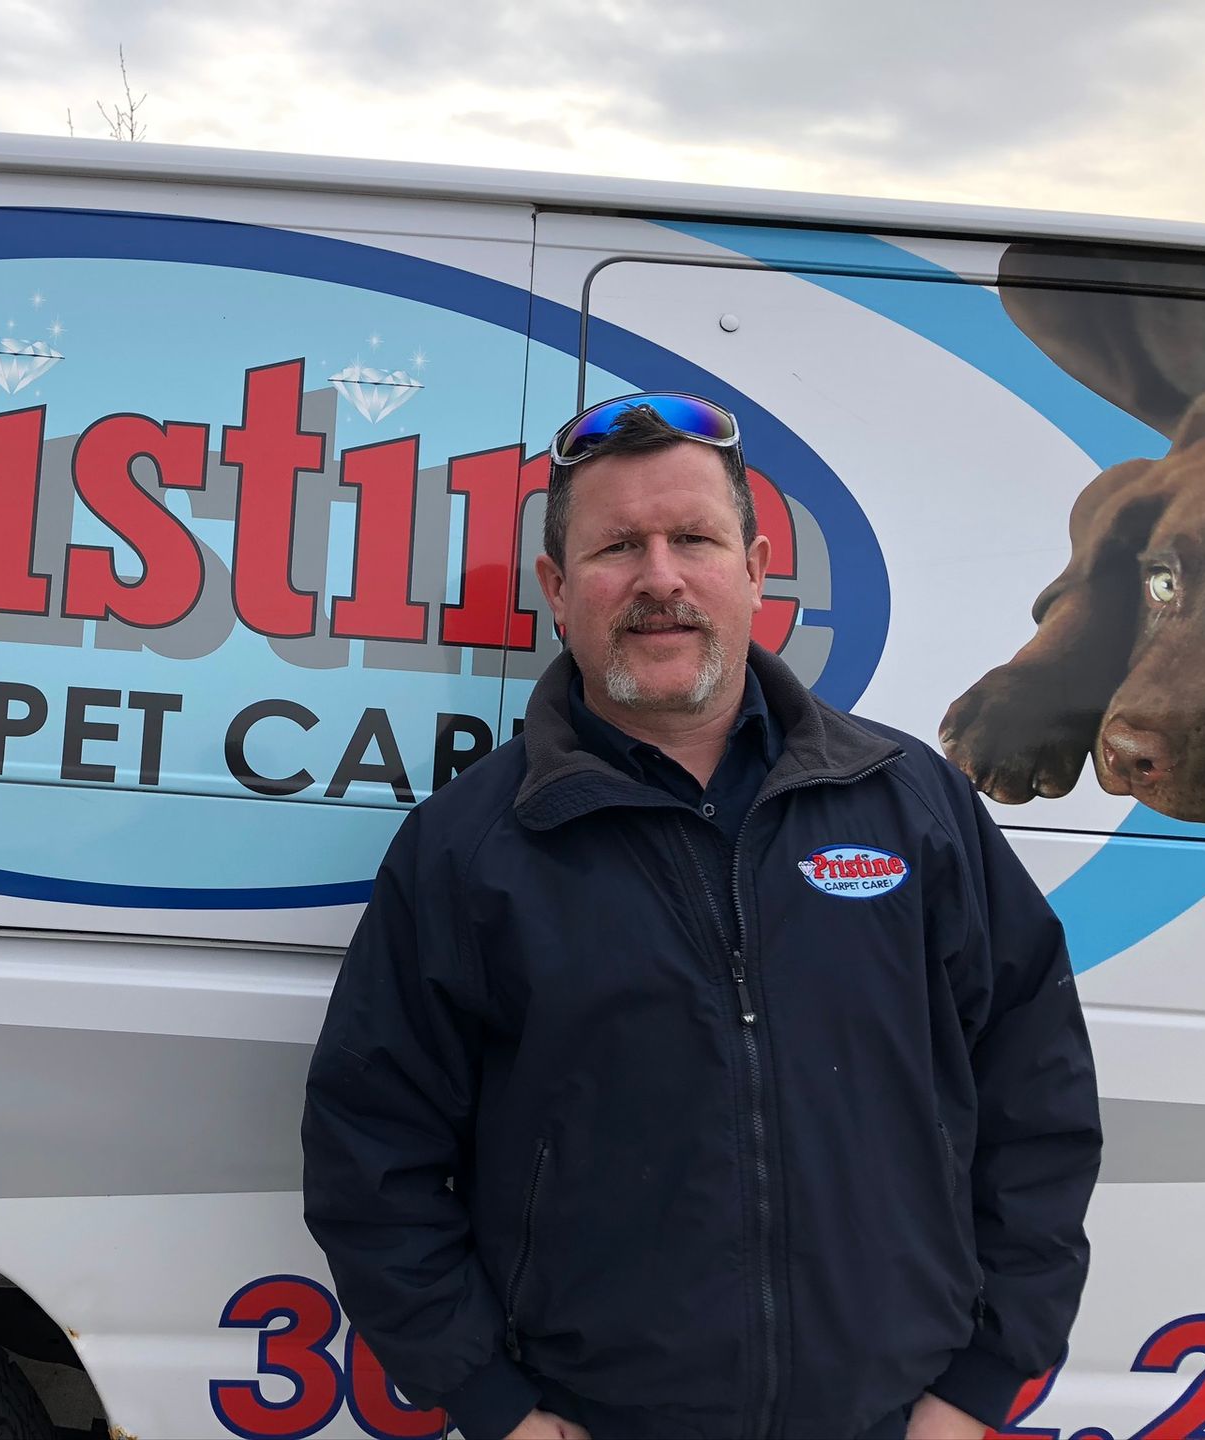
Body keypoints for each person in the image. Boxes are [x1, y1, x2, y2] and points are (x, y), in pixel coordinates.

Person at [301, 394, 1102, 1440]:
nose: (661, 578)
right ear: (556, 587)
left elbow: (1036, 1093)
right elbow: (371, 1154)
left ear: (756, 566)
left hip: (896, 1420)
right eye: (617, 546)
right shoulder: (470, 849)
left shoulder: (909, 804)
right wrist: (498, 1408)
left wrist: (986, 1380)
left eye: (693, 538)